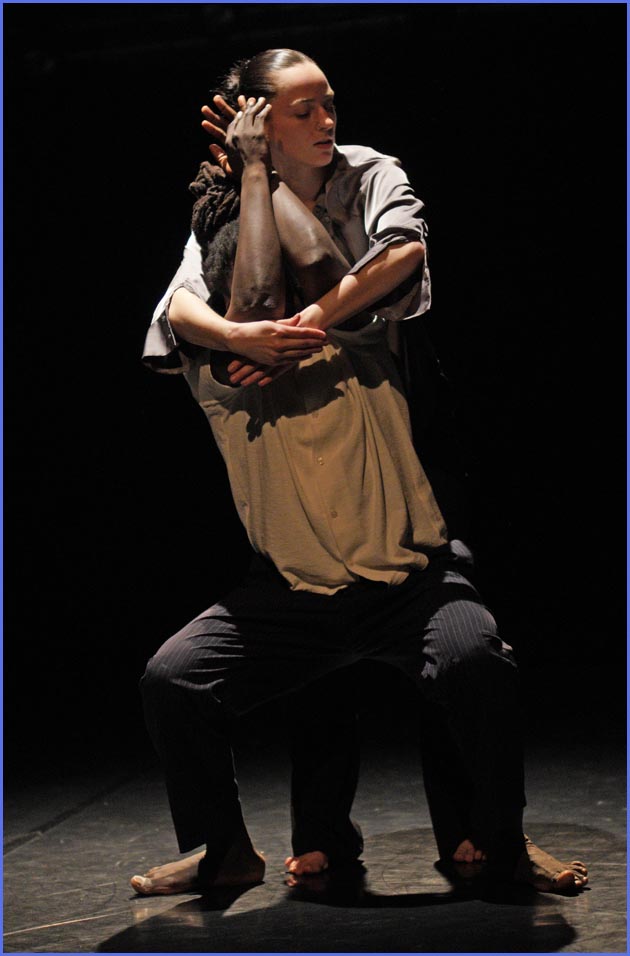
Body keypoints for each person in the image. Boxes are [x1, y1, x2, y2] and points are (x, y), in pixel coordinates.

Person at [132, 49, 588, 896]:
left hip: (404, 576)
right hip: (297, 592)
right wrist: (237, 333)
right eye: (303, 109)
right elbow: (195, 305)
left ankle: (497, 836)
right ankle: (225, 849)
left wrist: (291, 266)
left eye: (329, 104)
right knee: (174, 678)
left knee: (475, 662)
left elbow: (372, 268)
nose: (327, 121)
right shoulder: (222, 381)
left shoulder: (364, 326)